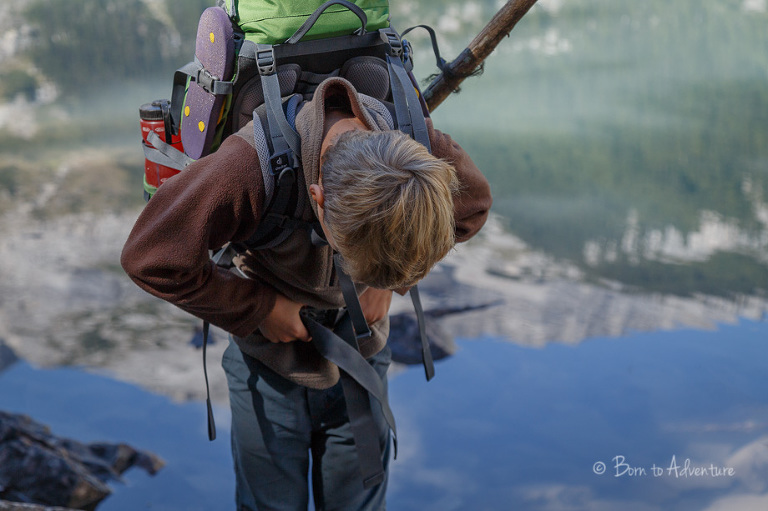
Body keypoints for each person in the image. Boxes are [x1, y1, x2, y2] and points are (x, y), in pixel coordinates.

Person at [121, 76, 492, 510]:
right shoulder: (246, 168)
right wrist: (259, 308)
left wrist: (389, 283)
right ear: (316, 197)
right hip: (268, 362)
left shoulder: (414, 143)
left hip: (363, 352)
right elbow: (149, 257)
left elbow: (472, 208)